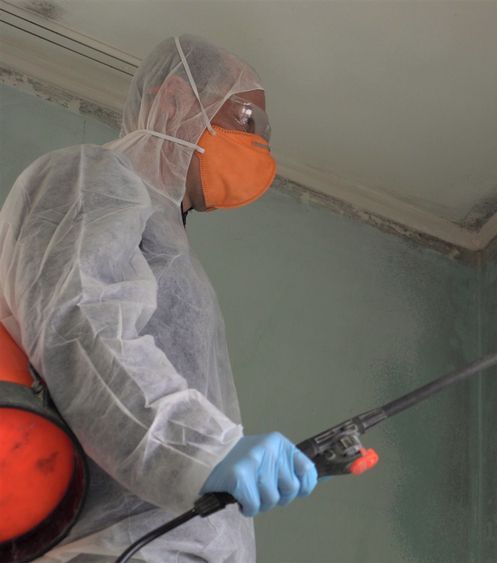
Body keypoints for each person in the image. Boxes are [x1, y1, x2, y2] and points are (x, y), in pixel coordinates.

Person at [0, 35, 316, 561]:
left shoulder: (171, 241)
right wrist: (202, 451)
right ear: (174, 100)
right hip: (111, 548)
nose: (258, 144)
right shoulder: (91, 178)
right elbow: (80, 324)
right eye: (246, 119)